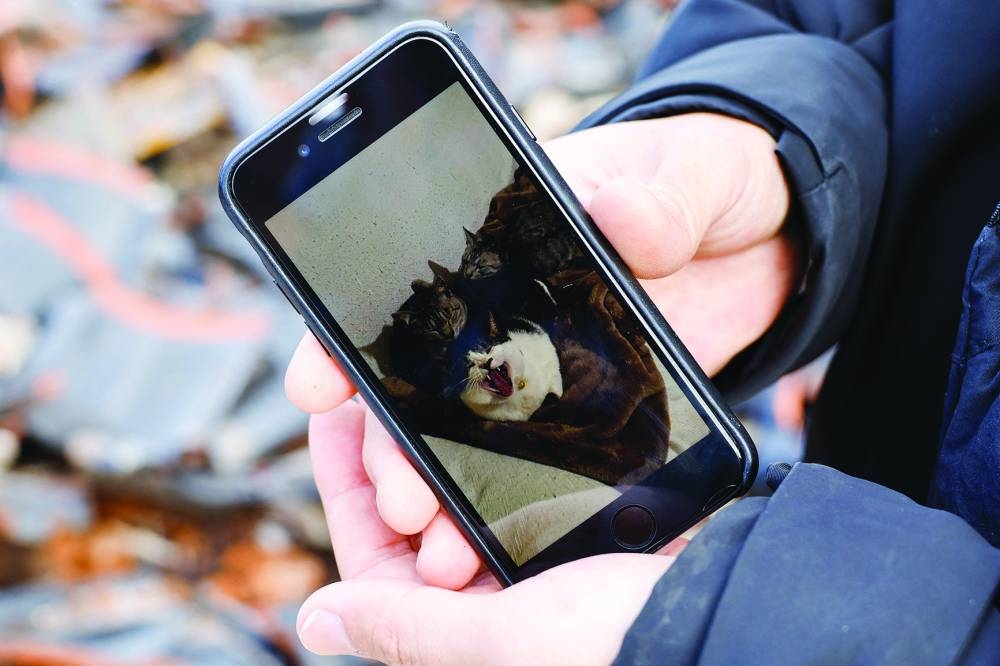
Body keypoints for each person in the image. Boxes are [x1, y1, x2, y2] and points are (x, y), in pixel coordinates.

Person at [283, 2, 1000, 663]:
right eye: (451, 364)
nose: (478, 356)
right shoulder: (547, 321)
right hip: (864, 453)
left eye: (471, 331)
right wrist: (773, 149)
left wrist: (705, 641)